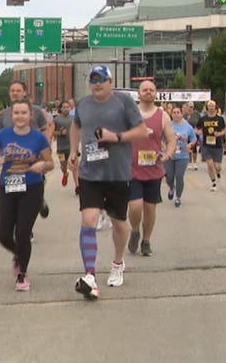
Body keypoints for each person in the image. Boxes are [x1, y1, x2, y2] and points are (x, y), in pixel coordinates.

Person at [68, 65, 147, 299]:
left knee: (120, 224)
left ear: (110, 81)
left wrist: (117, 137)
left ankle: (118, 262)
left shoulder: (123, 102)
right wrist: (74, 150)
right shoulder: (83, 104)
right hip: (90, 172)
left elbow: (142, 131)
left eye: (102, 79)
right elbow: (76, 126)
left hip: (117, 173)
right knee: (89, 219)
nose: (97, 84)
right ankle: (90, 275)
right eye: (93, 80)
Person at [0, 99, 54, 291]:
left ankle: (22, 274)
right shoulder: (4, 135)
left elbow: (51, 163)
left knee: (23, 233)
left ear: (31, 115)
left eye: (24, 113)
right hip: (7, 188)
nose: (20, 116)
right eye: (16, 113)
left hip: (31, 189)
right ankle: (19, 253)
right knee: (4, 235)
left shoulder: (39, 138)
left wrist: (43, 165)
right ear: (12, 115)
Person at [127, 81, 176, 257]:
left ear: (156, 93)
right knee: (135, 206)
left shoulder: (163, 116)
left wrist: (168, 155)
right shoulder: (130, 114)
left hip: (153, 168)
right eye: (144, 90)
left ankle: (146, 240)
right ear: (138, 94)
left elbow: (171, 139)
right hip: (132, 168)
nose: (148, 92)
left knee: (150, 208)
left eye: (151, 90)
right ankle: (134, 229)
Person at [165, 106, 196, 207]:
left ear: (182, 114)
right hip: (170, 155)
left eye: (178, 112)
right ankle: (171, 188)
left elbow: (194, 139)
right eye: (174, 112)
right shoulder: (168, 125)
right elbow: (161, 139)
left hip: (182, 155)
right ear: (171, 114)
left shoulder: (187, 126)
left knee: (179, 176)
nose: (176, 114)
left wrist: (189, 144)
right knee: (169, 177)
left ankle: (178, 197)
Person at [196, 100, 226, 192]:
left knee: (217, 166)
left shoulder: (220, 119)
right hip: (206, 145)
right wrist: (199, 132)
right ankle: (213, 182)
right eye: (209, 106)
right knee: (210, 165)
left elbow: (224, 130)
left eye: (213, 106)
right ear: (207, 108)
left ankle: (218, 173)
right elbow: (196, 129)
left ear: (215, 107)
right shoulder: (203, 119)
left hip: (217, 145)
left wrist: (219, 134)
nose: (211, 107)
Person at [53, 101, 77, 191]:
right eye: (64, 107)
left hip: (72, 147)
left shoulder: (74, 119)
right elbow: (52, 132)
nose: (66, 109)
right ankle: (65, 173)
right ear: (61, 109)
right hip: (61, 148)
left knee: (75, 167)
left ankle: (77, 186)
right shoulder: (56, 120)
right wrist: (59, 133)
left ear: (70, 108)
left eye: (67, 107)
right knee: (63, 165)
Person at [183, 102, 201, 170]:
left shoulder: (196, 114)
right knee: (188, 147)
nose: (190, 108)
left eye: (192, 107)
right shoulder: (185, 115)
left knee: (194, 147)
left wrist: (198, 129)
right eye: (189, 107)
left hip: (195, 132)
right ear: (187, 107)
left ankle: (195, 163)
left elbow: (200, 122)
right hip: (187, 133)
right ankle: (189, 162)